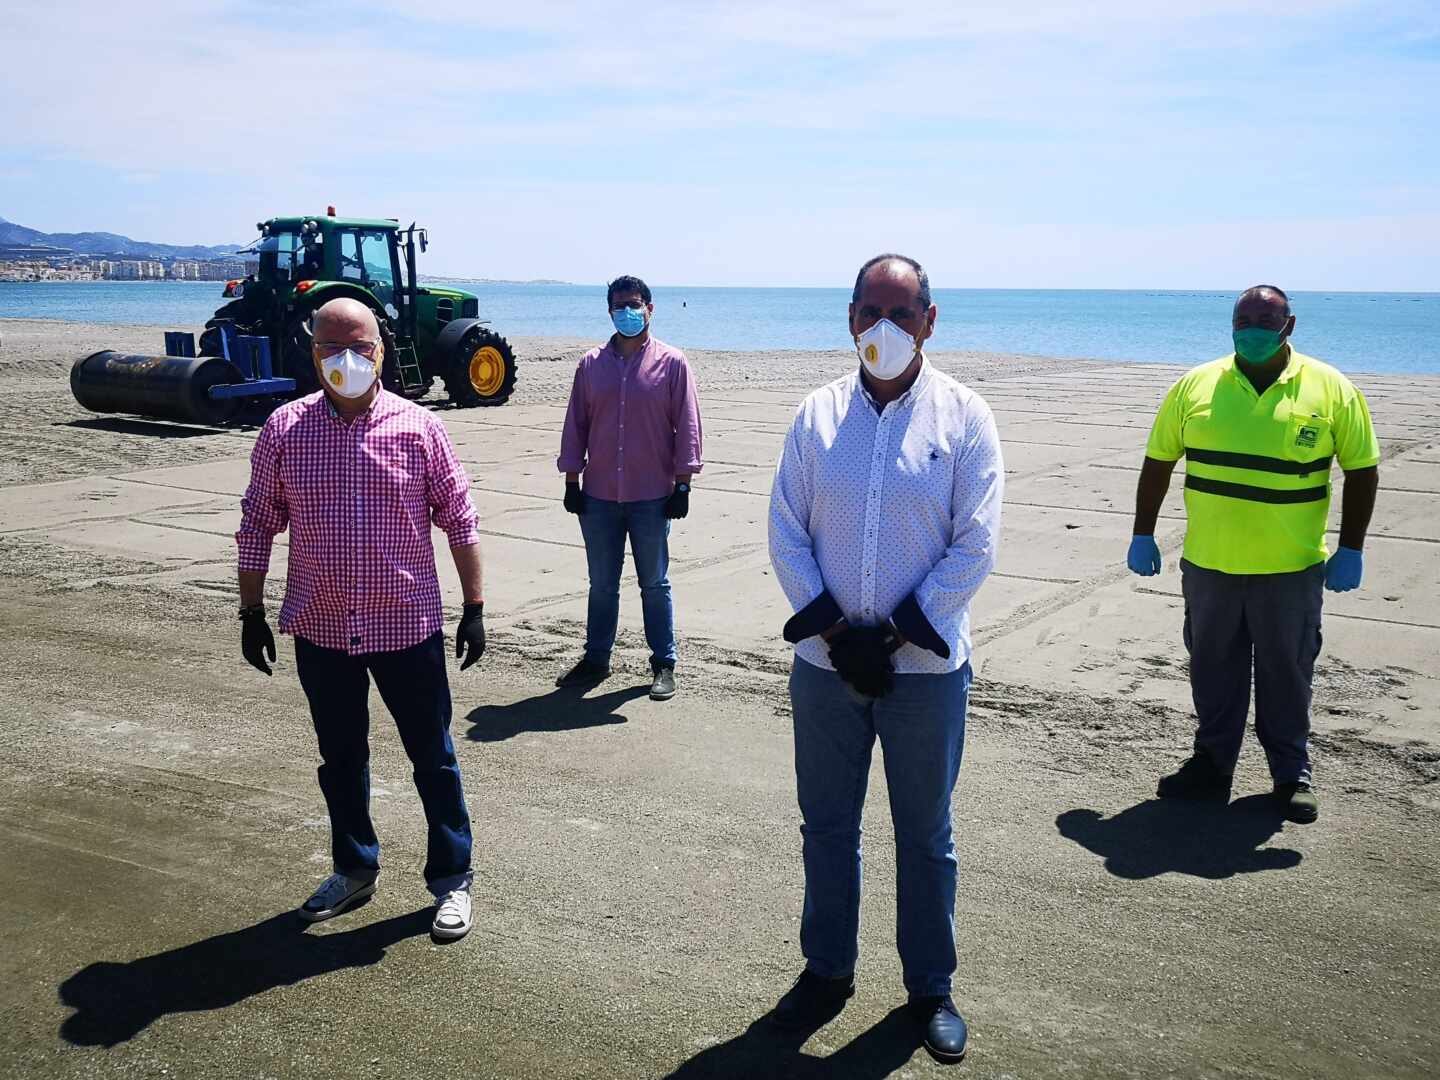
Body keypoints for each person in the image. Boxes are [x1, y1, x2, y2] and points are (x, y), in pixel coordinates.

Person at [767, 254, 1004, 1064]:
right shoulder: (816, 416)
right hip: (828, 671)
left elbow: (976, 543)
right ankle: (826, 970)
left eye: (903, 314)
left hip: (927, 674)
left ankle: (930, 988)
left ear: (931, 321)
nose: (885, 329)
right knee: (827, 828)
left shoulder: (965, 417)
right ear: (849, 317)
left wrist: (897, 631)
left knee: (925, 836)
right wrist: (838, 632)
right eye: (871, 311)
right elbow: (786, 530)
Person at [235, 297, 487, 939]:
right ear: (311, 351)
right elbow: (257, 526)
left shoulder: (419, 428)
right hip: (321, 626)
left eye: (361, 347)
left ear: (381, 347)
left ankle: (452, 879)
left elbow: (460, 520)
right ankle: (354, 869)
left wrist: (475, 607)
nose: (346, 360)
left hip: (406, 626)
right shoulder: (285, 430)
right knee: (340, 758)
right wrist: (251, 611)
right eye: (331, 348)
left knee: (432, 756)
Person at [1128, 285, 1380, 824]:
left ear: (1289, 325)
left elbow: (1363, 470)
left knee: (1287, 672)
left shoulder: (1331, 388)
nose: (1254, 328)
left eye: (1267, 319)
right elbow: (1158, 461)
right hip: (1210, 565)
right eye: (1244, 319)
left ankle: (1292, 775)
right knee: (1212, 670)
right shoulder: (1195, 385)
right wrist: (1142, 533)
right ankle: (1212, 766)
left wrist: (1350, 548)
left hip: (1290, 568)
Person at [555, 275, 703, 701]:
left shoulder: (673, 363)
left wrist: (683, 484)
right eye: (619, 306)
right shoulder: (590, 364)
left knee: (654, 582)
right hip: (598, 495)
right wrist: (571, 479)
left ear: (650, 309)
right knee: (602, 583)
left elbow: (687, 425)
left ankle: (663, 662)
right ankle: (597, 658)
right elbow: (576, 425)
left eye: (634, 304)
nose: (628, 312)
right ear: (609, 311)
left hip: (652, 496)